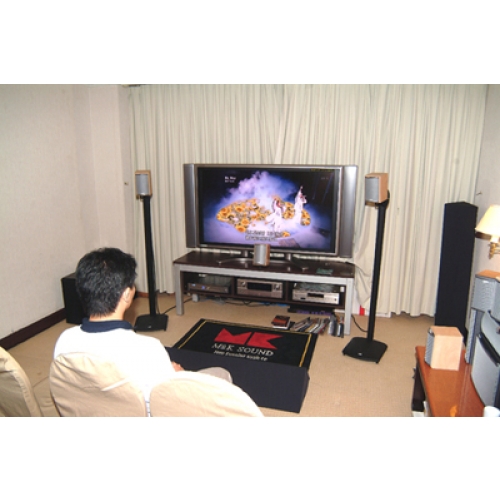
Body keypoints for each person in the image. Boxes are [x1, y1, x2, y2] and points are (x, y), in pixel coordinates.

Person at [54, 247, 231, 413]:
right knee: (222, 374)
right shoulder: (147, 348)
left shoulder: (65, 340)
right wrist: (179, 375)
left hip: (93, 413)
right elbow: (169, 397)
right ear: (126, 294)